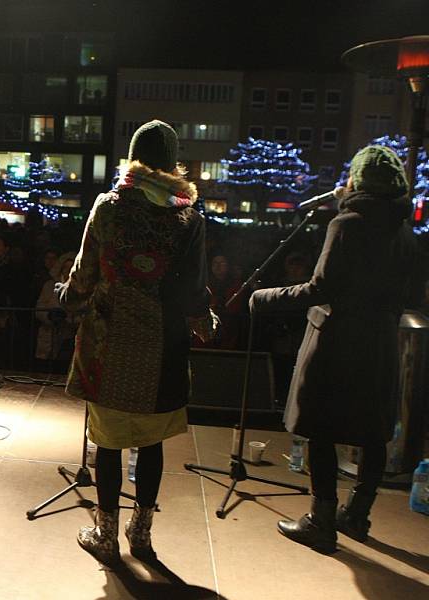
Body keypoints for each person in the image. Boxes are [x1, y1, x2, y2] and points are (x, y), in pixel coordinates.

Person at [58, 120, 218, 565]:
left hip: (109, 343)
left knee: (107, 443)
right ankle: (141, 533)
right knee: (151, 444)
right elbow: (194, 289)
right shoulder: (188, 218)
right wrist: (204, 319)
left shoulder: (109, 206)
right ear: (172, 163)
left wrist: (68, 297)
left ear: (133, 158)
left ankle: (105, 535)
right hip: (163, 347)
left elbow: (85, 271)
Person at [250, 145, 423, 554]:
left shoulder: (347, 223)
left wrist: (265, 297)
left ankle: (321, 521)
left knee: (321, 429)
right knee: (373, 432)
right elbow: (412, 293)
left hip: (338, 342)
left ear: (358, 179)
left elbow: (320, 288)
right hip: (381, 344)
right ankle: (357, 515)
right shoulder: (405, 233)